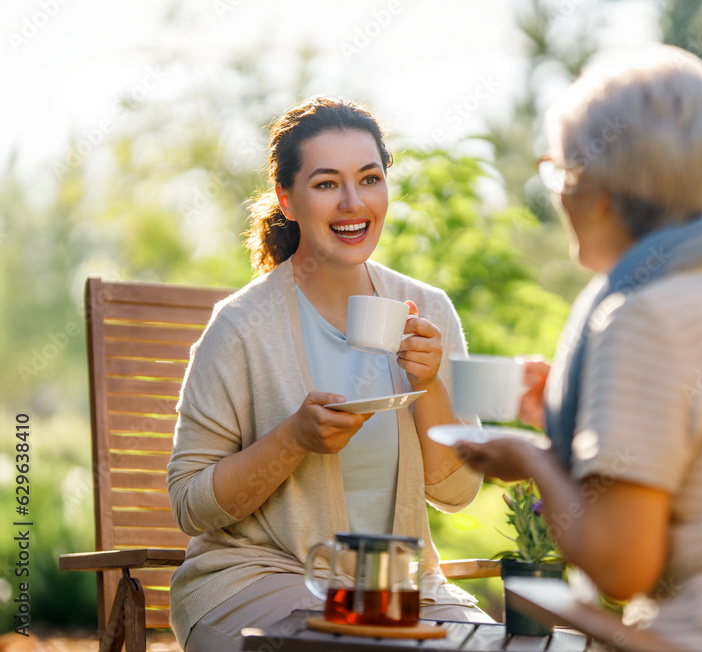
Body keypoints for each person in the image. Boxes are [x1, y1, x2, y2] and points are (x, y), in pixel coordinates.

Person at [455, 46, 702, 652]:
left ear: (595, 193)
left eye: (557, 174)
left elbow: (622, 567)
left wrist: (536, 461)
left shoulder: (643, 317)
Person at [167, 97, 489, 652]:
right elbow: (190, 506)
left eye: (369, 178)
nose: (352, 202)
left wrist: (429, 385)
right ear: (287, 201)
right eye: (325, 184)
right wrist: (292, 439)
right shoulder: (241, 325)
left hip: (397, 592)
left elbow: (459, 492)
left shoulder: (427, 309)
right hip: (257, 580)